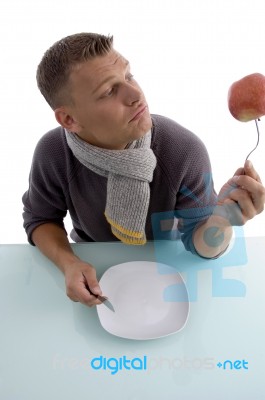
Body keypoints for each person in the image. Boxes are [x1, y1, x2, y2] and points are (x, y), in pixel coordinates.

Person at [22, 33, 265, 308]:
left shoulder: (183, 151)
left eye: (128, 76)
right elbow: (40, 219)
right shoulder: (53, 153)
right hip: (95, 269)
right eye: (109, 91)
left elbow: (200, 244)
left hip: (170, 271)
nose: (137, 95)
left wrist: (223, 219)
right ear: (69, 119)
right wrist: (69, 263)